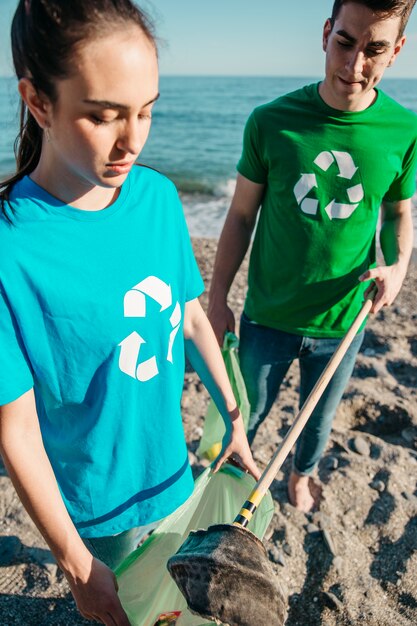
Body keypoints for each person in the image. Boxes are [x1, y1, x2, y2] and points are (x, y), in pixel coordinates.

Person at [0, 1, 259, 624]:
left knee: (172, 608)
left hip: (173, 474)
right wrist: (76, 565)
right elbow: (16, 429)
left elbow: (190, 315)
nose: (133, 139)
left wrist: (233, 413)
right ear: (38, 100)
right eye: (102, 116)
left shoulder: (159, 197)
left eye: (146, 110)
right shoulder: (12, 249)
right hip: (95, 509)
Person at [208, 0, 417, 514]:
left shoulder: (404, 131)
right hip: (267, 315)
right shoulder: (271, 122)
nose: (355, 65)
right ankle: (228, 483)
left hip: (344, 321)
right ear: (326, 33)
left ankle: (301, 476)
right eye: (345, 42)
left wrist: (398, 267)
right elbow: (239, 217)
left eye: (375, 50)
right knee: (244, 415)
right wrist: (217, 300)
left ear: (397, 52)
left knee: (318, 420)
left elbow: (396, 214)